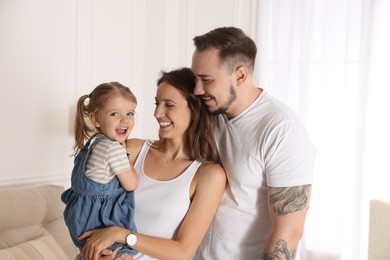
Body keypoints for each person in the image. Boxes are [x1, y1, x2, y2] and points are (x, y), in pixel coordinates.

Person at [191, 26, 316, 259]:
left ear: (240, 75)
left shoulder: (282, 130)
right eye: (195, 78)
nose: (198, 89)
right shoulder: (208, 113)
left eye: (206, 80)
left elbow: (288, 233)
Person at [78, 67, 227, 260]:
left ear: (195, 110)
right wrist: (99, 252)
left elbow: (182, 252)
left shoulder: (208, 175)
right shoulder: (132, 149)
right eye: (157, 103)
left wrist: (121, 235)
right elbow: (89, 201)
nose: (157, 113)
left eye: (169, 105)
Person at [61, 82, 139, 259]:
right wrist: (126, 154)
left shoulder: (91, 145)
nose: (124, 120)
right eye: (114, 114)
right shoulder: (114, 149)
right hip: (101, 224)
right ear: (95, 119)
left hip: (82, 223)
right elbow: (131, 184)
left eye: (130, 113)